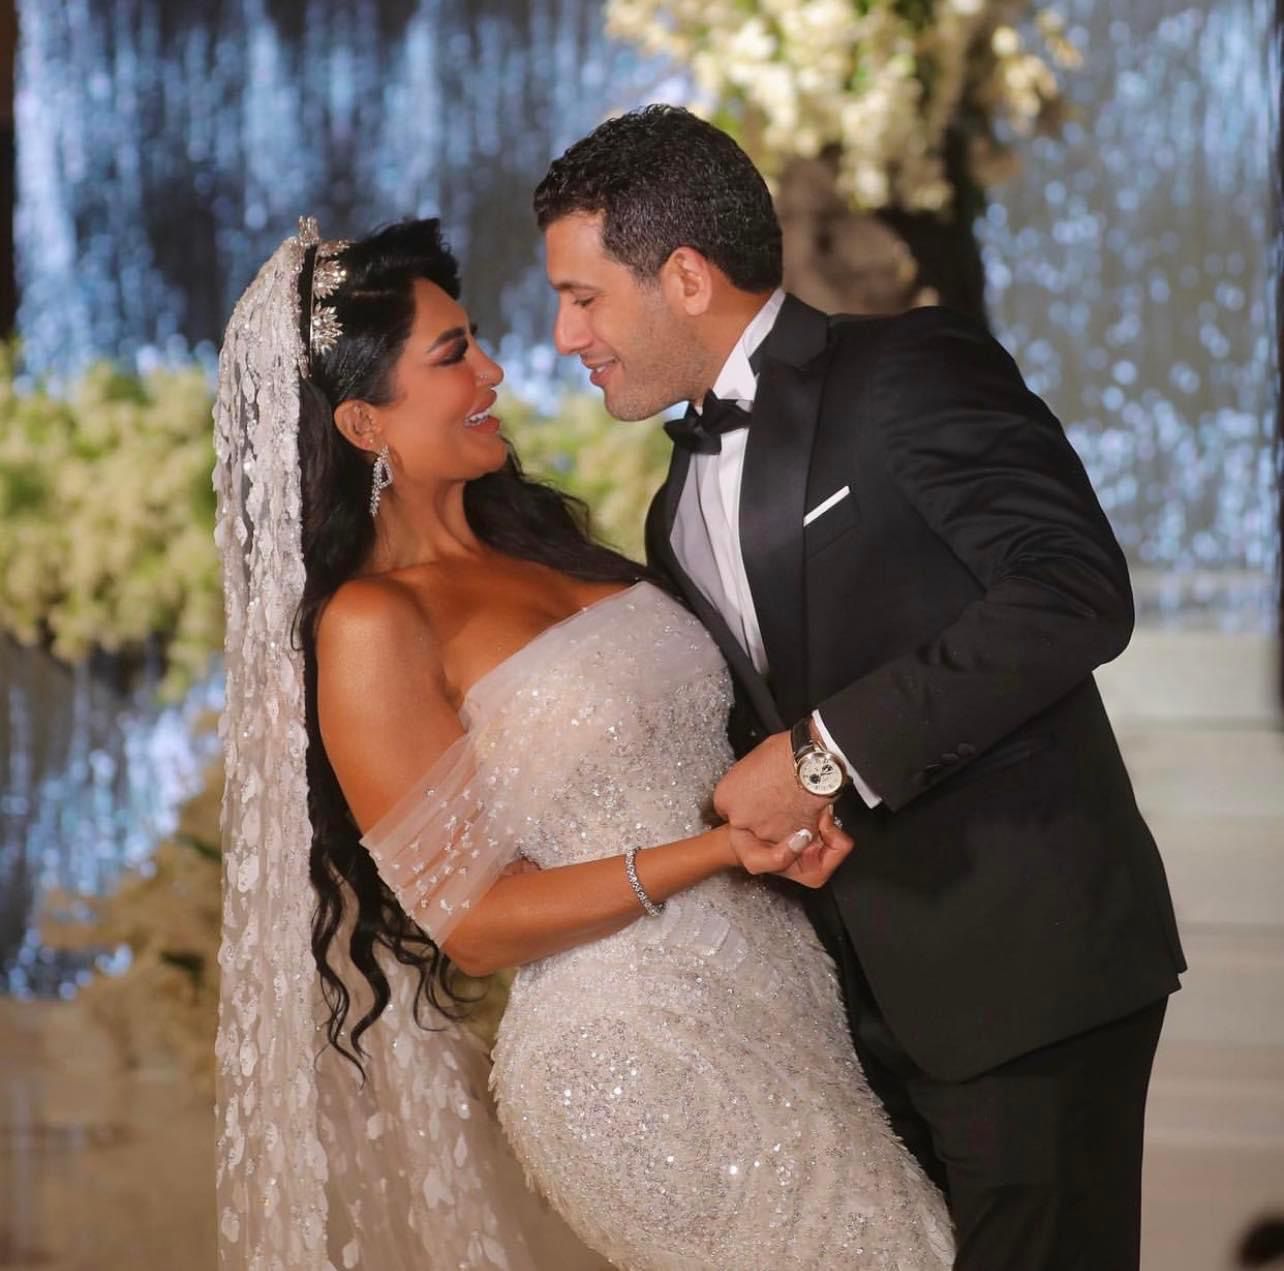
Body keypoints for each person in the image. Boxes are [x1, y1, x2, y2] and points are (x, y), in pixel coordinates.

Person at [213, 216, 953, 1270]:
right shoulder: (374, 623)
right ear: (364, 422)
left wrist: (795, 808)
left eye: (477, 340)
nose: (495, 370)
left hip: (784, 1001)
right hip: (627, 1050)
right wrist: (720, 849)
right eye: (453, 354)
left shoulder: (549, 547)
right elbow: (474, 923)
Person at [534, 104, 1187, 1271]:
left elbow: (1073, 592)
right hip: (858, 1012)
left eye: (583, 296)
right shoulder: (673, 509)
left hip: (1025, 967)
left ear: (684, 276)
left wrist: (824, 754)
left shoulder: (907, 369)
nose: (564, 332)